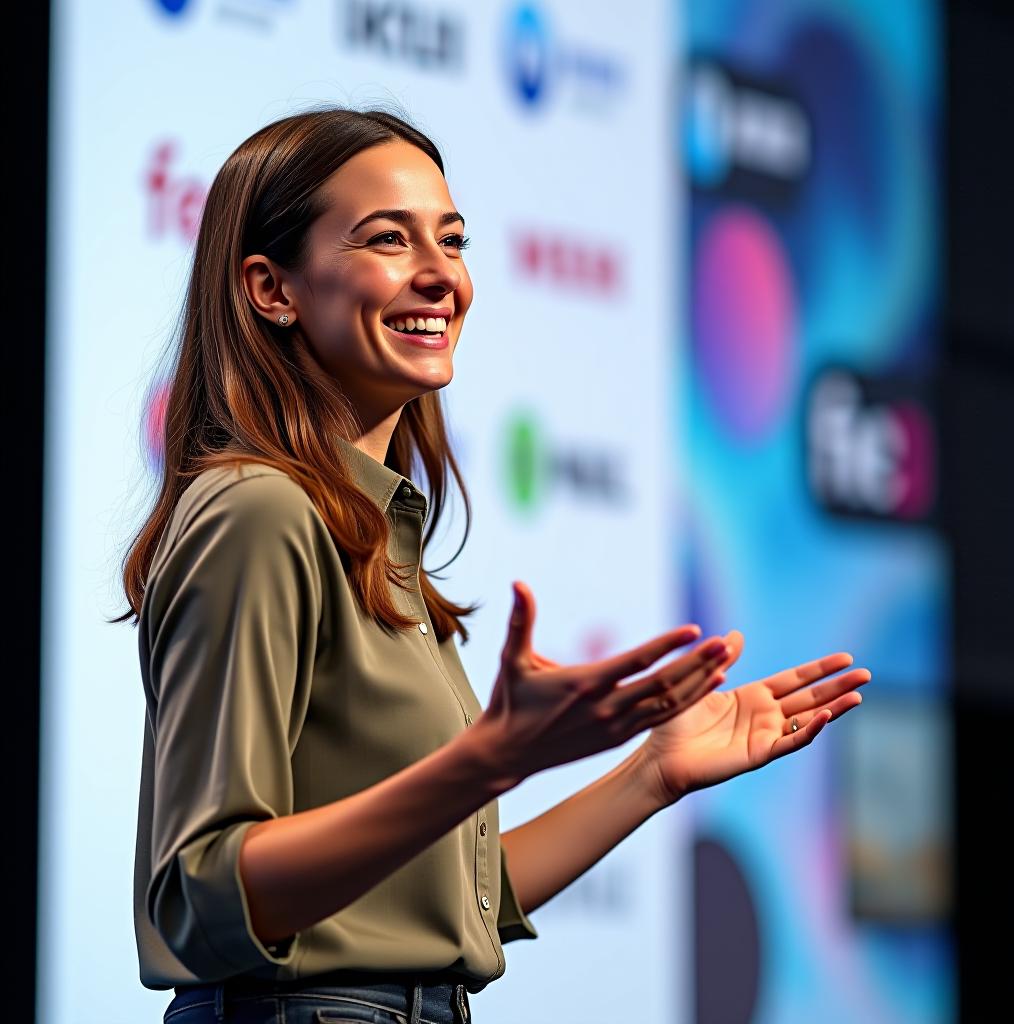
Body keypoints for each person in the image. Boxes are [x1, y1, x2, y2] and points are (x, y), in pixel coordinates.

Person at [120, 107, 869, 1024]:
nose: (442, 276)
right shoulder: (259, 510)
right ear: (271, 289)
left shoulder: (363, 524)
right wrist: (484, 763)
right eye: (388, 239)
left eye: (453, 239)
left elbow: (432, 906)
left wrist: (651, 775)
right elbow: (202, 897)